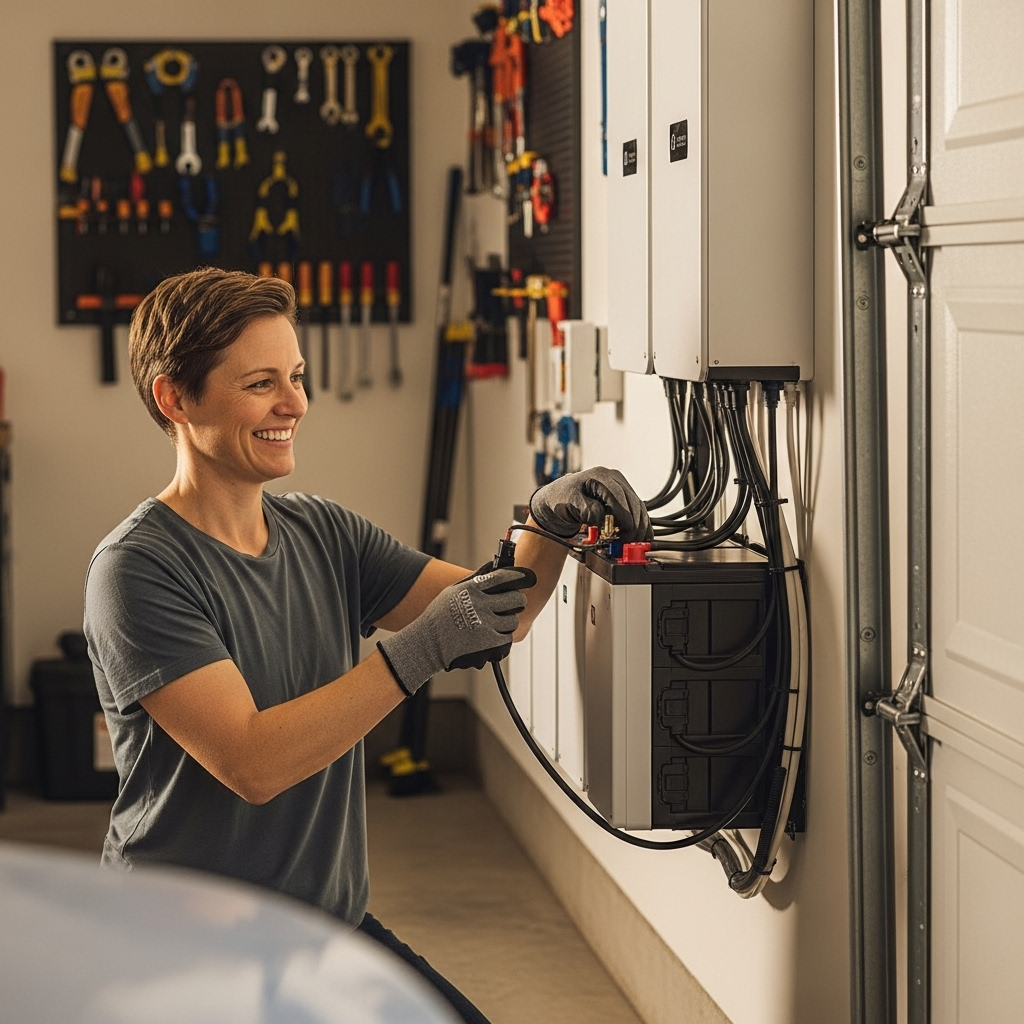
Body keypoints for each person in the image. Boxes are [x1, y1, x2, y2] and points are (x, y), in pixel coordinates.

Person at [83, 268, 651, 1024]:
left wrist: (544, 524)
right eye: (261, 384)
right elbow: (255, 763)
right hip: (182, 957)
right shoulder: (138, 570)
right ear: (174, 398)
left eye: (297, 376)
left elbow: (496, 617)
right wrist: (421, 649)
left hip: (323, 928)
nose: (295, 404)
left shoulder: (323, 532)